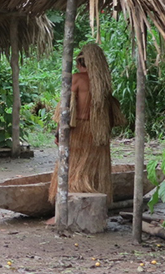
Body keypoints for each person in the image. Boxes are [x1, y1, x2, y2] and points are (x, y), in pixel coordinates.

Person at [47, 43, 124, 214]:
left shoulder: (76, 79)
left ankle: (68, 211)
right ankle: (92, 204)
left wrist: (59, 132)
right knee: (93, 169)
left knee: (73, 168)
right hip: (98, 132)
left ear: (80, 63)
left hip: (78, 130)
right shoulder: (104, 85)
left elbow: (65, 109)